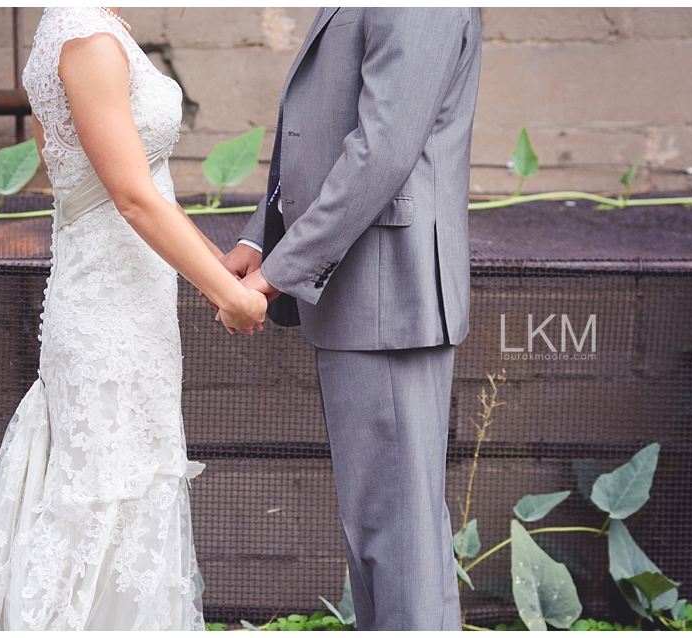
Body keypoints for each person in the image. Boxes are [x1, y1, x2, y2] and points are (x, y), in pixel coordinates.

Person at [0, 7, 266, 631]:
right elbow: (131, 199)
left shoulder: (94, 25)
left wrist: (219, 264)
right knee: (105, 487)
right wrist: (228, 296)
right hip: (107, 312)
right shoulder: (86, 38)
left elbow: (121, 187)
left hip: (133, 300)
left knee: (129, 485)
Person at [221, 8, 482, 631]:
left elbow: (381, 149)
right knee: (389, 531)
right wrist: (262, 241)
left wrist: (280, 270)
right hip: (369, 287)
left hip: (389, 289)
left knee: (396, 536)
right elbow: (319, 131)